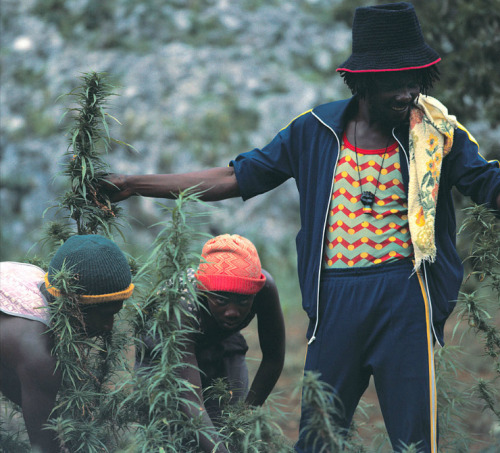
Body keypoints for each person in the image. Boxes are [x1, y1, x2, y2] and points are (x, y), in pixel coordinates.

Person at [101, 3, 500, 452]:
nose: (408, 93)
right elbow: (235, 177)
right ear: (363, 79)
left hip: (406, 298)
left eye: (415, 80)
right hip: (334, 302)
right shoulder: (314, 131)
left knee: (414, 440)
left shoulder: (436, 132)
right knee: (316, 436)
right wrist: (134, 184)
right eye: (395, 81)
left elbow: (485, 181)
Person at [136, 234, 285, 453]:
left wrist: (242, 421)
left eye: (243, 301)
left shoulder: (263, 287)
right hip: (162, 351)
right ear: (204, 292)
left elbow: (273, 359)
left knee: (228, 425)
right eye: (221, 300)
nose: (233, 312)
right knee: (171, 436)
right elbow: (190, 399)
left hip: (222, 340)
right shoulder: (183, 304)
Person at [0, 234, 135, 453]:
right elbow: (43, 448)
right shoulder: (38, 352)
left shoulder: (39, 280)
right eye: (104, 315)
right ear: (72, 306)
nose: (109, 326)